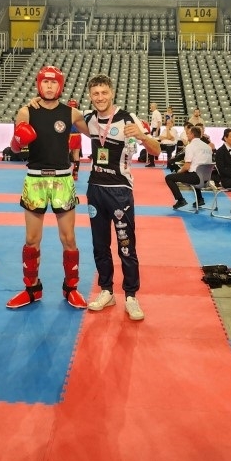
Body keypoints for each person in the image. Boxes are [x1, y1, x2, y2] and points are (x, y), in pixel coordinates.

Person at [7, 66, 89, 310]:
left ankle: (71, 289)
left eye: (54, 82)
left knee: (69, 238)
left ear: (60, 85)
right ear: (39, 85)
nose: (50, 86)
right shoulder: (26, 111)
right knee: (32, 239)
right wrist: (19, 138)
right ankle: (32, 290)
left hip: (63, 180)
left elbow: (97, 133)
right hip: (35, 180)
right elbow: (14, 148)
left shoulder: (72, 113)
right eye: (45, 82)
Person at [84, 73, 160, 320]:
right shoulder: (89, 119)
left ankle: (131, 296)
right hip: (95, 189)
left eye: (104, 92)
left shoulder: (128, 118)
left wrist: (142, 136)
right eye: (95, 94)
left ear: (112, 93)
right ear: (90, 96)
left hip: (120, 191)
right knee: (100, 245)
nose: (100, 97)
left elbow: (156, 150)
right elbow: (62, 115)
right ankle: (106, 291)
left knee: (126, 245)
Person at [165, 124, 213, 210]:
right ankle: (200, 199)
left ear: (192, 134)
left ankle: (180, 200)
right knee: (194, 171)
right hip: (206, 178)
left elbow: (187, 166)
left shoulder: (190, 146)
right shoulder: (208, 147)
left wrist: (179, 171)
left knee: (169, 178)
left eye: (188, 133)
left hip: (195, 177)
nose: (187, 135)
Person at [67, 98, 82, 180]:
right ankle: (75, 174)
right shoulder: (79, 114)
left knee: (65, 154)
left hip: (70, 136)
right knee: (76, 155)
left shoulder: (68, 114)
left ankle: (64, 171)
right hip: (78, 136)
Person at [146, 102, 163, 166]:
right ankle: (152, 161)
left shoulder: (157, 113)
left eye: (152, 106)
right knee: (152, 144)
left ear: (155, 107)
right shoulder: (154, 113)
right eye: (151, 106)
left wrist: (156, 131)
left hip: (156, 129)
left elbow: (159, 122)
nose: (151, 107)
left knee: (152, 144)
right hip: (154, 129)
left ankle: (153, 161)